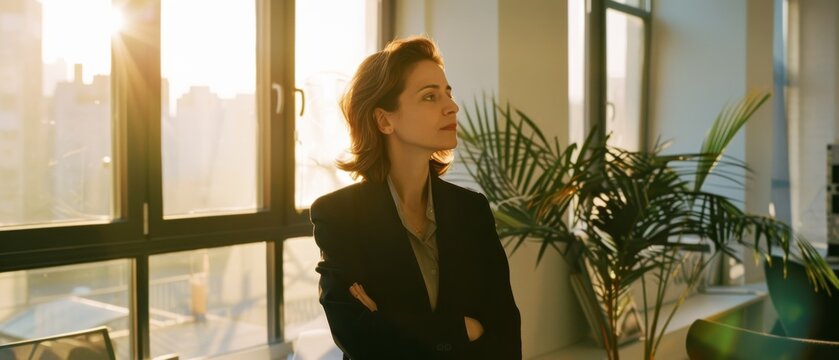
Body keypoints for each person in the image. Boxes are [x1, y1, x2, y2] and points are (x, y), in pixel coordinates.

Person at [311, 36, 521, 359]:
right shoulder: (339, 217)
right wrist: (462, 329)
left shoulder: (471, 211)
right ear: (384, 120)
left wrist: (389, 319)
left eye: (448, 93)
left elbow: (504, 336)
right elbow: (360, 340)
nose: (452, 106)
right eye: (430, 96)